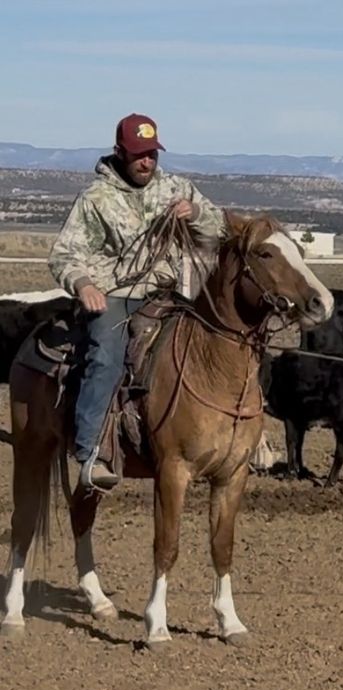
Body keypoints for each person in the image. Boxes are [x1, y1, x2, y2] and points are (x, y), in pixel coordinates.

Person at [47, 113, 225, 493]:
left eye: (152, 154)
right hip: (113, 294)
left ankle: (233, 437)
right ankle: (91, 453)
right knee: (106, 358)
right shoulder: (96, 200)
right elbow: (64, 255)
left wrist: (195, 214)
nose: (147, 162)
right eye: (139, 155)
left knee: (216, 343)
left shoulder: (176, 189)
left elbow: (220, 226)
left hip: (166, 293)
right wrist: (83, 284)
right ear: (119, 152)